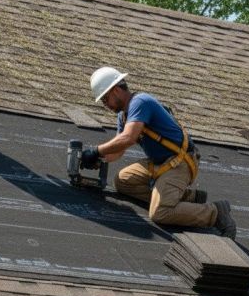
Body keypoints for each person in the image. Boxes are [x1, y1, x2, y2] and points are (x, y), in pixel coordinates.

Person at [82, 67, 237, 238]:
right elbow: (118, 150)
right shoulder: (124, 115)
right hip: (158, 162)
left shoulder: (140, 102)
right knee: (122, 181)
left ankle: (215, 213)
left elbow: (128, 138)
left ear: (116, 90)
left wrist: (96, 150)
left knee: (160, 213)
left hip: (179, 162)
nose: (105, 104)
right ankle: (188, 198)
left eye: (105, 99)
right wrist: (99, 158)